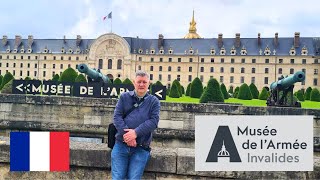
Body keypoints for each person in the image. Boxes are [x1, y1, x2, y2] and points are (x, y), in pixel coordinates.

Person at [111, 70, 161, 180]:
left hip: (141, 147)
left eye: (144, 82)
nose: (141, 84)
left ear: (149, 83)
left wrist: (135, 133)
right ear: (134, 83)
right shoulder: (124, 97)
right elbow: (117, 117)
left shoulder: (154, 101)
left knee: (134, 178)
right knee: (117, 178)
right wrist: (128, 137)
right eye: (139, 82)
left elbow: (153, 121)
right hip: (121, 145)